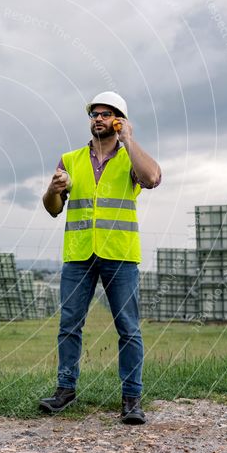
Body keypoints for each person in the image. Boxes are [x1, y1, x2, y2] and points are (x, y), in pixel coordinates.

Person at [39, 91, 161, 425]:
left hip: (120, 255)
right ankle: (65, 390)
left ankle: (131, 399)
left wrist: (129, 141)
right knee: (69, 326)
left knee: (128, 328)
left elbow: (151, 178)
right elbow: (52, 210)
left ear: (119, 120)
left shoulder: (130, 158)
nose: (98, 119)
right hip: (79, 255)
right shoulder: (71, 160)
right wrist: (53, 188)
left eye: (107, 114)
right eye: (94, 114)